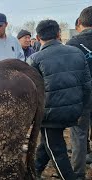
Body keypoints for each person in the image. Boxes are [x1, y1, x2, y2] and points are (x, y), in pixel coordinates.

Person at [28, 19, 91, 180]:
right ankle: (33, 172)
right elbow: (87, 86)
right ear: (58, 34)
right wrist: (80, 107)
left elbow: (32, 93)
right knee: (47, 143)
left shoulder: (35, 59)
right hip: (75, 110)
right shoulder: (76, 52)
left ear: (38, 37)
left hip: (50, 115)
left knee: (56, 149)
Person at [66, 6, 92, 179]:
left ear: (80, 23)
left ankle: (78, 174)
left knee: (79, 135)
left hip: (82, 97)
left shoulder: (72, 45)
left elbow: (68, 75)